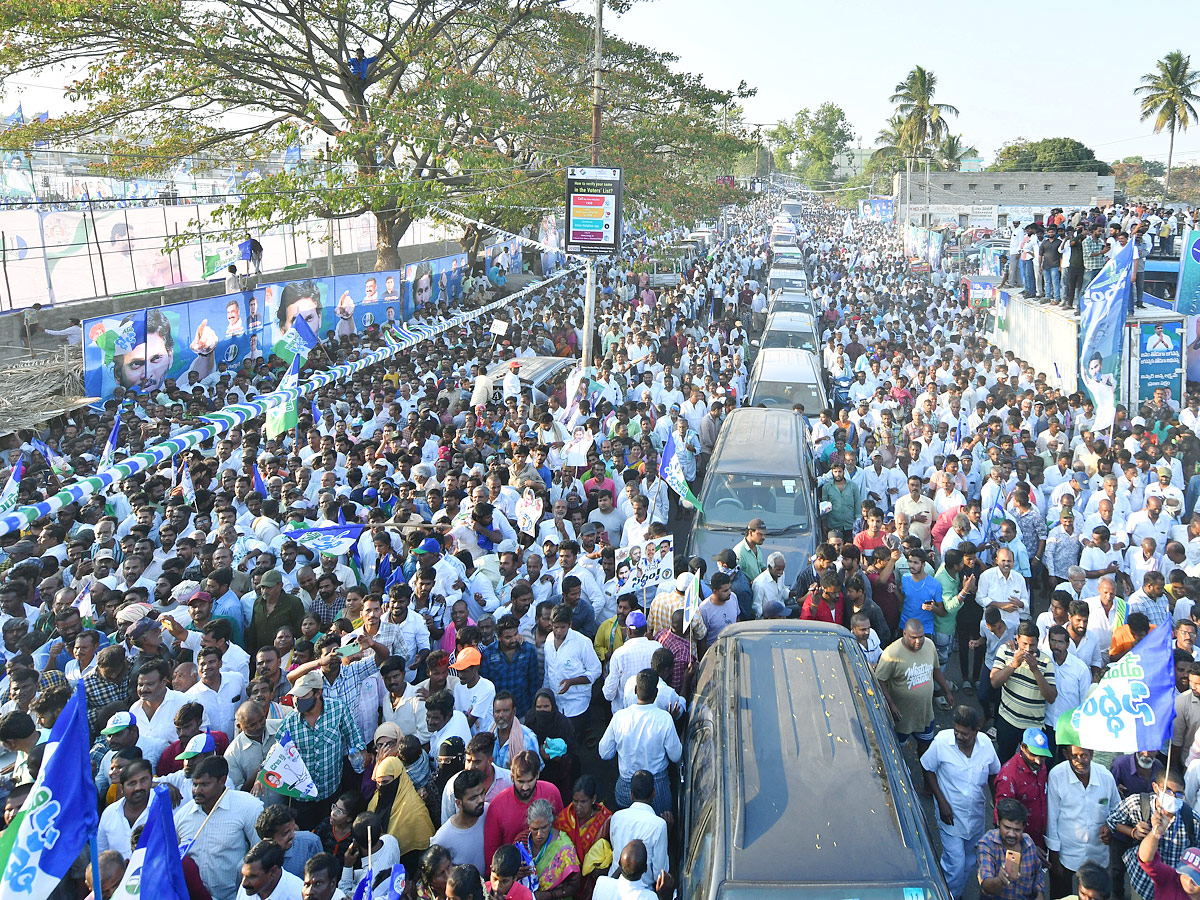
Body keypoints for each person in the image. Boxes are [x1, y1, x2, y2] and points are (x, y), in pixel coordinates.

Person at [921, 705, 1001, 899]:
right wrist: (941, 801)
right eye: (957, 731)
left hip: (975, 817)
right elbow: (927, 767)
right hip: (950, 817)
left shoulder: (986, 746)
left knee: (970, 862)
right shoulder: (941, 742)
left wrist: (997, 808)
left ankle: (954, 893)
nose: (959, 736)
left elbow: (994, 775)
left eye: (964, 733)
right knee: (955, 865)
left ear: (976, 731)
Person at [174, 755, 265, 900]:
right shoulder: (182, 816)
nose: (197, 790)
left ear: (222, 781)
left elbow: (261, 852)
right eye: (195, 784)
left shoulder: (248, 806)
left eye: (204, 784)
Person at [1108, 768, 1200, 900]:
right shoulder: (1137, 804)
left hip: (1173, 888)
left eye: (1179, 794)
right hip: (1142, 882)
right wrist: (1133, 832)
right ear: (1156, 788)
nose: (1173, 798)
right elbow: (1112, 820)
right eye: (1168, 791)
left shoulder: (1192, 819)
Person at [598, 670, 681, 814]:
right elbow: (676, 756)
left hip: (626, 788)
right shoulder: (665, 719)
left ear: (636, 690)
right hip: (657, 788)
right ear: (656, 693)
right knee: (662, 823)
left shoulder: (619, 717)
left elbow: (604, 753)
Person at [1046, 744, 1120, 900]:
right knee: (1061, 894)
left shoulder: (1106, 777)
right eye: (1074, 756)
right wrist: (1053, 857)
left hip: (1098, 854)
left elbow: (1117, 811)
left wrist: (1109, 827)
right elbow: (1052, 819)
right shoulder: (1056, 776)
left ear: (1092, 753)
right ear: (1066, 755)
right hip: (1067, 853)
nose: (1080, 761)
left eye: (1084, 756)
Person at [875, 619, 955, 756]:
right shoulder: (891, 654)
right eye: (914, 638)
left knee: (926, 747)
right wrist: (891, 705)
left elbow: (936, 670)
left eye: (921, 637)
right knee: (896, 751)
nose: (918, 641)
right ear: (904, 633)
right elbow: (880, 680)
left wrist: (947, 691)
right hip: (901, 717)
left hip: (924, 714)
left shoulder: (929, 645)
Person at [990, 621, 1057, 762]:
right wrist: (1013, 665)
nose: (1027, 649)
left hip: (1033, 727)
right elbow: (994, 682)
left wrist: (1036, 670)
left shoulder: (1046, 661)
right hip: (1007, 721)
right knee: (1003, 760)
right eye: (1024, 644)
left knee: (1032, 764)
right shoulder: (1005, 651)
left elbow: (1051, 697)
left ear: (1038, 642)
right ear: (1017, 639)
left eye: (1032, 645)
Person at [604, 772, 667, 889]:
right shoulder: (659, 825)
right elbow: (660, 874)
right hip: (643, 889)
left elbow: (615, 848)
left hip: (615, 885)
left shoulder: (616, 817)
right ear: (654, 793)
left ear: (631, 795)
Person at [994, 728, 1052, 851]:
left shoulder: (1041, 766)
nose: (1038, 760)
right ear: (1022, 747)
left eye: (1042, 756)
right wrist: (1025, 846)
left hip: (1040, 840)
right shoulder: (1009, 776)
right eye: (1033, 754)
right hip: (1018, 846)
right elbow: (1002, 820)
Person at [977, 798, 1047, 900]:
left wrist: (1040, 895)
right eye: (1007, 828)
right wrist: (1000, 880)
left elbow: (1037, 876)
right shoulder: (988, 844)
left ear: (1023, 827)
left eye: (1017, 830)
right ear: (998, 822)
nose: (1011, 834)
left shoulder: (1029, 843)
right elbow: (986, 885)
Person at [555, 776, 612, 900]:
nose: (578, 806)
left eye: (583, 802)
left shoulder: (605, 819)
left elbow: (611, 850)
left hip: (592, 881)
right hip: (567, 879)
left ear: (593, 799)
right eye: (575, 801)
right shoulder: (565, 818)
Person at [520, 798, 581, 900]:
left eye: (544, 828)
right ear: (529, 826)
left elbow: (575, 885)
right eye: (535, 829)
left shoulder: (564, 847)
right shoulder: (522, 841)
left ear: (550, 823)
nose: (540, 834)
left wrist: (550, 895)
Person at [433, 767, 487, 872]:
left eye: (482, 793)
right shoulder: (442, 838)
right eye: (473, 798)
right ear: (458, 803)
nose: (481, 800)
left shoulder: (489, 811)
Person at [235, 840, 303, 900]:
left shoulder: (298, 894)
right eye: (243, 875)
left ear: (273, 871)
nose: (244, 883)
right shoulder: (247, 887)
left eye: (252, 877)